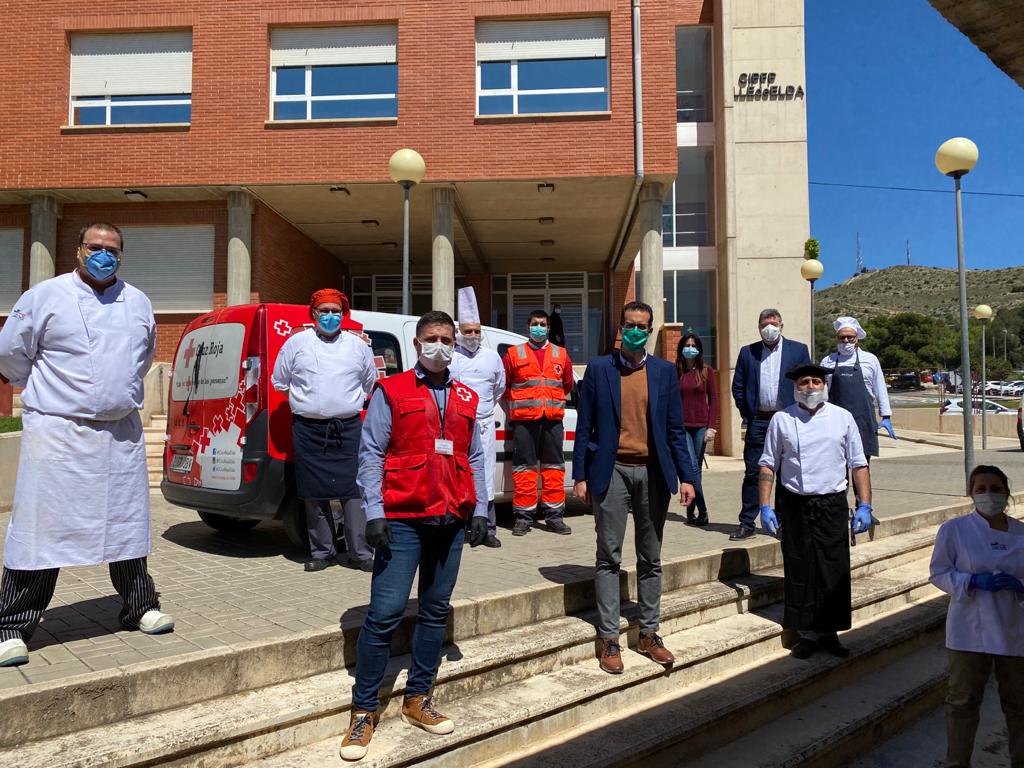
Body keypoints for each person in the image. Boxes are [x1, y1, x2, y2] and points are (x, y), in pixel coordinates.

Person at [0, 222, 174, 668]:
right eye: (95, 247)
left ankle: (140, 606)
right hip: (58, 432)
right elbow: (10, 354)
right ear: (78, 250)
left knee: (126, 522)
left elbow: (145, 356)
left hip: (119, 433)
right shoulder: (44, 296)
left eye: (112, 249)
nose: (103, 255)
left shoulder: (137, 301)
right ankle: (12, 624)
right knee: (42, 527)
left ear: (122, 255)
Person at [341, 311, 489, 761]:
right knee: (384, 614)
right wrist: (373, 512)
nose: (440, 345)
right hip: (401, 520)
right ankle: (364, 710)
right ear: (418, 343)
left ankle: (417, 698)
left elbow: (476, 457)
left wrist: (481, 510)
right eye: (432, 338)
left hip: (450, 520)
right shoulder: (393, 389)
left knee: (435, 610)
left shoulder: (466, 395)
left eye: (447, 338)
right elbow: (371, 452)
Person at [573, 301, 697, 675]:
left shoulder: (662, 372)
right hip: (612, 471)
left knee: (651, 557)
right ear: (620, 327)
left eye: (642, 325)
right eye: (629, 324)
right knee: (608, 556)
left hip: (653, 473)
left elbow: (675, 429)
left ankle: (649, 633)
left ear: (651, 329)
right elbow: (585, 427)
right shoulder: (598, 369)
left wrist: (687, 476)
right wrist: (580, 475)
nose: (635, 331)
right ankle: (610, 638)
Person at [758, 363, 871, 660]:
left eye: (816, 381)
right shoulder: (782, 419)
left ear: (825, 386)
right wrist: (765, 505)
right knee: (800, 565)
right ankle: (806, 633)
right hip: (795, 502)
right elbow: (769, 463)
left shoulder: (842, 418)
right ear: (796, 387)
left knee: (833, 567)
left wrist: (865, 504)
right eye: (805, 382)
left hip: (832, 502)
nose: (811, 386)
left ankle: (830, 632)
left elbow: (858, 463)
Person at [272, 288, 377, 572]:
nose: (330, 316)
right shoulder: (296, 343)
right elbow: (279, 381)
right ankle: (323, 553)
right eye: (324, 311)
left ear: (343, 314)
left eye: (336, 311)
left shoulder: (358, 346)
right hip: (307, 429)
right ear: (314, 314)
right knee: (312, 493)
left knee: (354, 492)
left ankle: (361, 553)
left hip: (348, 428)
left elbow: (370, 383)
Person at [929, 464, 1023, 768]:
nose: (988, 495)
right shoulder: (954, 530)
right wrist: (970, 581)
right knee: (962, 702)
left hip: (1014, 629)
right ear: (970, 494)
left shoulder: (1022, 534)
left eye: (995, 488)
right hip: (969, 632)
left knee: (1019, 704)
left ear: (1007, 493)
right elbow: (939, 573)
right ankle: (957, 762)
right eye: (980, 489)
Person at [730, 308, 811, 541]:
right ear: (759, 327)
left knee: (787, 472)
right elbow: (738, 387)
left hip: (788, 420)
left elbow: (807, 384)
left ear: (782, 326)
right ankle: (747, 522)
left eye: (774, 323)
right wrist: (749, 414)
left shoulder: (798, 350)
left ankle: (783, 522)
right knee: (753, 473)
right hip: (759, 422)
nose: (770, 328)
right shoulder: (748, 353)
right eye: (765, 324)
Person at [503, 310, 575, 536]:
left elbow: (567, 384)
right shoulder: (513, 354)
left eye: (543, 324)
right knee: (524, 469)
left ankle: (554, 517)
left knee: (554, 468)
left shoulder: (561, 354)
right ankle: (523, 518)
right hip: (524, 422)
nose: (539, 328)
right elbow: (504, 387)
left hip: (552, 421)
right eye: (535, 323)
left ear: (549, 328)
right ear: (528, 326)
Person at [449, 287, 505, 548]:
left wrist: (481, 411)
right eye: (467, 331)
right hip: (458, 425)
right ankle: (461, 530)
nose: (472, 335)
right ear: (459, 333)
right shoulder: (451, 358)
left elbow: (498, 389)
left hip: (483, 423)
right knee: (460, 476)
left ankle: (488, 529)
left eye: (476, 331)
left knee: (486, 476)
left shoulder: (493, 357)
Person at [820, 315, 895, 473]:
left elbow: (880, 388)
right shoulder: (827, 361)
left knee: (862, 467)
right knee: (838, 469)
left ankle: (863, 498)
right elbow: (822, 392)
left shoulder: (870, 359)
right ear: (837, 339)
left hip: (863, 422)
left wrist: (886, 416)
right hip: (835, 422)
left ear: (857, 339)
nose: (846, 341)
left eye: (850, 337)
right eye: (842, 338)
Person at [676, 331, 718, 526]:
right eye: (687, 345)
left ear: (699, 349)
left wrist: (712, 427)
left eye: (694, 345)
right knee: (691, 467)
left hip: (701, 426)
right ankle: (703, 510)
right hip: (681, 427)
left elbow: (715, 401)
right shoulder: (676, 371)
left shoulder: (706, 371)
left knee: (696, 470)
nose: (690, 348)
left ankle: (691, 511)